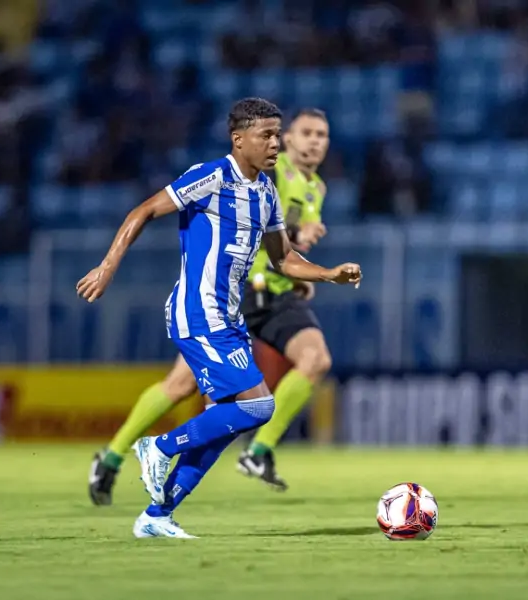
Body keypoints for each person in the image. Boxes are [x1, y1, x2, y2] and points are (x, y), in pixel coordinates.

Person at [77, 97, 361, 538]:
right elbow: (144, 210)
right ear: (239, 139)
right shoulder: (210, 177)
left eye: (275, 134)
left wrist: (327, 273)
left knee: (227, 419)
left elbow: (283, 258)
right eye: (266, 136)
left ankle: (157, 517)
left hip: (229, 318)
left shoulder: (266, 192)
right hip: (198, 312)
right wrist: (108, 265)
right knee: (258, 405)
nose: (273, 144)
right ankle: (157, 446)